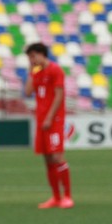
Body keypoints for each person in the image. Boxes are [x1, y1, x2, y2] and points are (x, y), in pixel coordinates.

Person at [24, 43, 72, 209]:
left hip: (54, 120)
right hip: (41, 120)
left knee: (57, 157)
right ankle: (56, 197)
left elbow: (59, 96)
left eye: (32, 56)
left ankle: (67, 196)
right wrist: (31, 71)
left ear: (41, 54)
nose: (31, 60)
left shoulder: (55, 70)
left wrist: (50, 117)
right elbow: (28, 92)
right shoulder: (37, 72)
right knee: (47, 159)